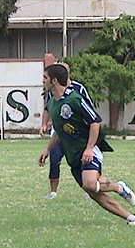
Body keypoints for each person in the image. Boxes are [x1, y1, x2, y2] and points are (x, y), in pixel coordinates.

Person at [38, 64, 135, 225]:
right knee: (94, 194)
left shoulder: (75, 99)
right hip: (73, 157)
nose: (43, 81)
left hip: (89, 151)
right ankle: (131, 218)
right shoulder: (52, 103)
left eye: (45, 78)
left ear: (54, 80)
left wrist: (89, 148)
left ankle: (117, 187)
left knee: (90, 184)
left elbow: (95, 122)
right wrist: (47, 149)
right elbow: (59, 130)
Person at [40, 63, 95, 199]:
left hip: (77, 136)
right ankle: (53, 192)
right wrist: (44, 124)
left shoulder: (78, 90)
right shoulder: (52, 92)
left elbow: (92, 115)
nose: (43, 80)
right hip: (59, 133)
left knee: (83, 163)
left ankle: (92, 188)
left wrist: (89, 145)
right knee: (54, 159)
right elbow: (48, 108)